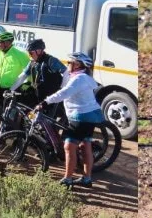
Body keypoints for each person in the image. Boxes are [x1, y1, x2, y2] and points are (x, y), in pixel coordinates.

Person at [39, 52, 104, 188]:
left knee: (69, 147)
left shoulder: (79, 79)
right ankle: (87, 179)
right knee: (85, 145)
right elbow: (63, 87)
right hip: (89, 115)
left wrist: (46, 102)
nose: (67, 64)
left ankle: (68, 179)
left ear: (78, 65)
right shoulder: (79, 76)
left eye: (70, 62)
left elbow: (65, 92)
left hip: (81, 116)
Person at [10, 38, 67, 113]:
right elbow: (23, 76)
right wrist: (11, 90)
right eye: (28, 53)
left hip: (51, 98)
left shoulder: (51, 61)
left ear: (39, 51)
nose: (29, 55)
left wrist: (62, 89)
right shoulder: (32, 62)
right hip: (39, 95)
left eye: (31, 53)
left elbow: (66, 72)